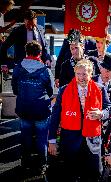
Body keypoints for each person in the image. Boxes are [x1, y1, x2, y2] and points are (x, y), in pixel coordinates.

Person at [48, 59, 103, 181]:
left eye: (84, 74)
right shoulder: (64, 90)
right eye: (78, 74)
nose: (81, 77)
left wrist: (101, 114)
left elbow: (109, 107)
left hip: (92, 141)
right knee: (70, 174)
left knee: (94, 175)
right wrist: (52, 140)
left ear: (90, 74)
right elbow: (55, 116)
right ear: (74, 73)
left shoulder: (100, 89)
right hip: (70, 140)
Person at [11, 40, 54, 177]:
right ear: (40, 53)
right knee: (42, 139)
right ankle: (42, 164)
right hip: (41, 110)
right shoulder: (45, 71)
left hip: (24, 109)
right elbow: (51, 91)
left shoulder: (18, 68)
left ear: (26, 52)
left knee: (25, 137)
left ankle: (25, 162)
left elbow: (14, 89)